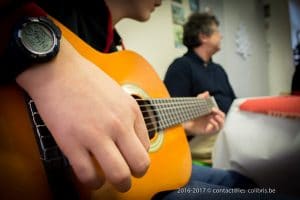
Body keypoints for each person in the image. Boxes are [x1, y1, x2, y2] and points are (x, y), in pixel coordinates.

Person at [0, 1, 273, 200]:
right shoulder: (54, 10)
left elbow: (131, 121)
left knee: (244, 181)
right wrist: (51, 63)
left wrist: (187, 126)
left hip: (129, 177)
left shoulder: (117, 49)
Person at [164, 12, 236, 114]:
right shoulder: (181, 67)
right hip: (203, 128)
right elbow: (173, 113)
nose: (221, 36)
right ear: (203, 37)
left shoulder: (219, 69)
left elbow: (233, 102)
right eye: (217, 32)